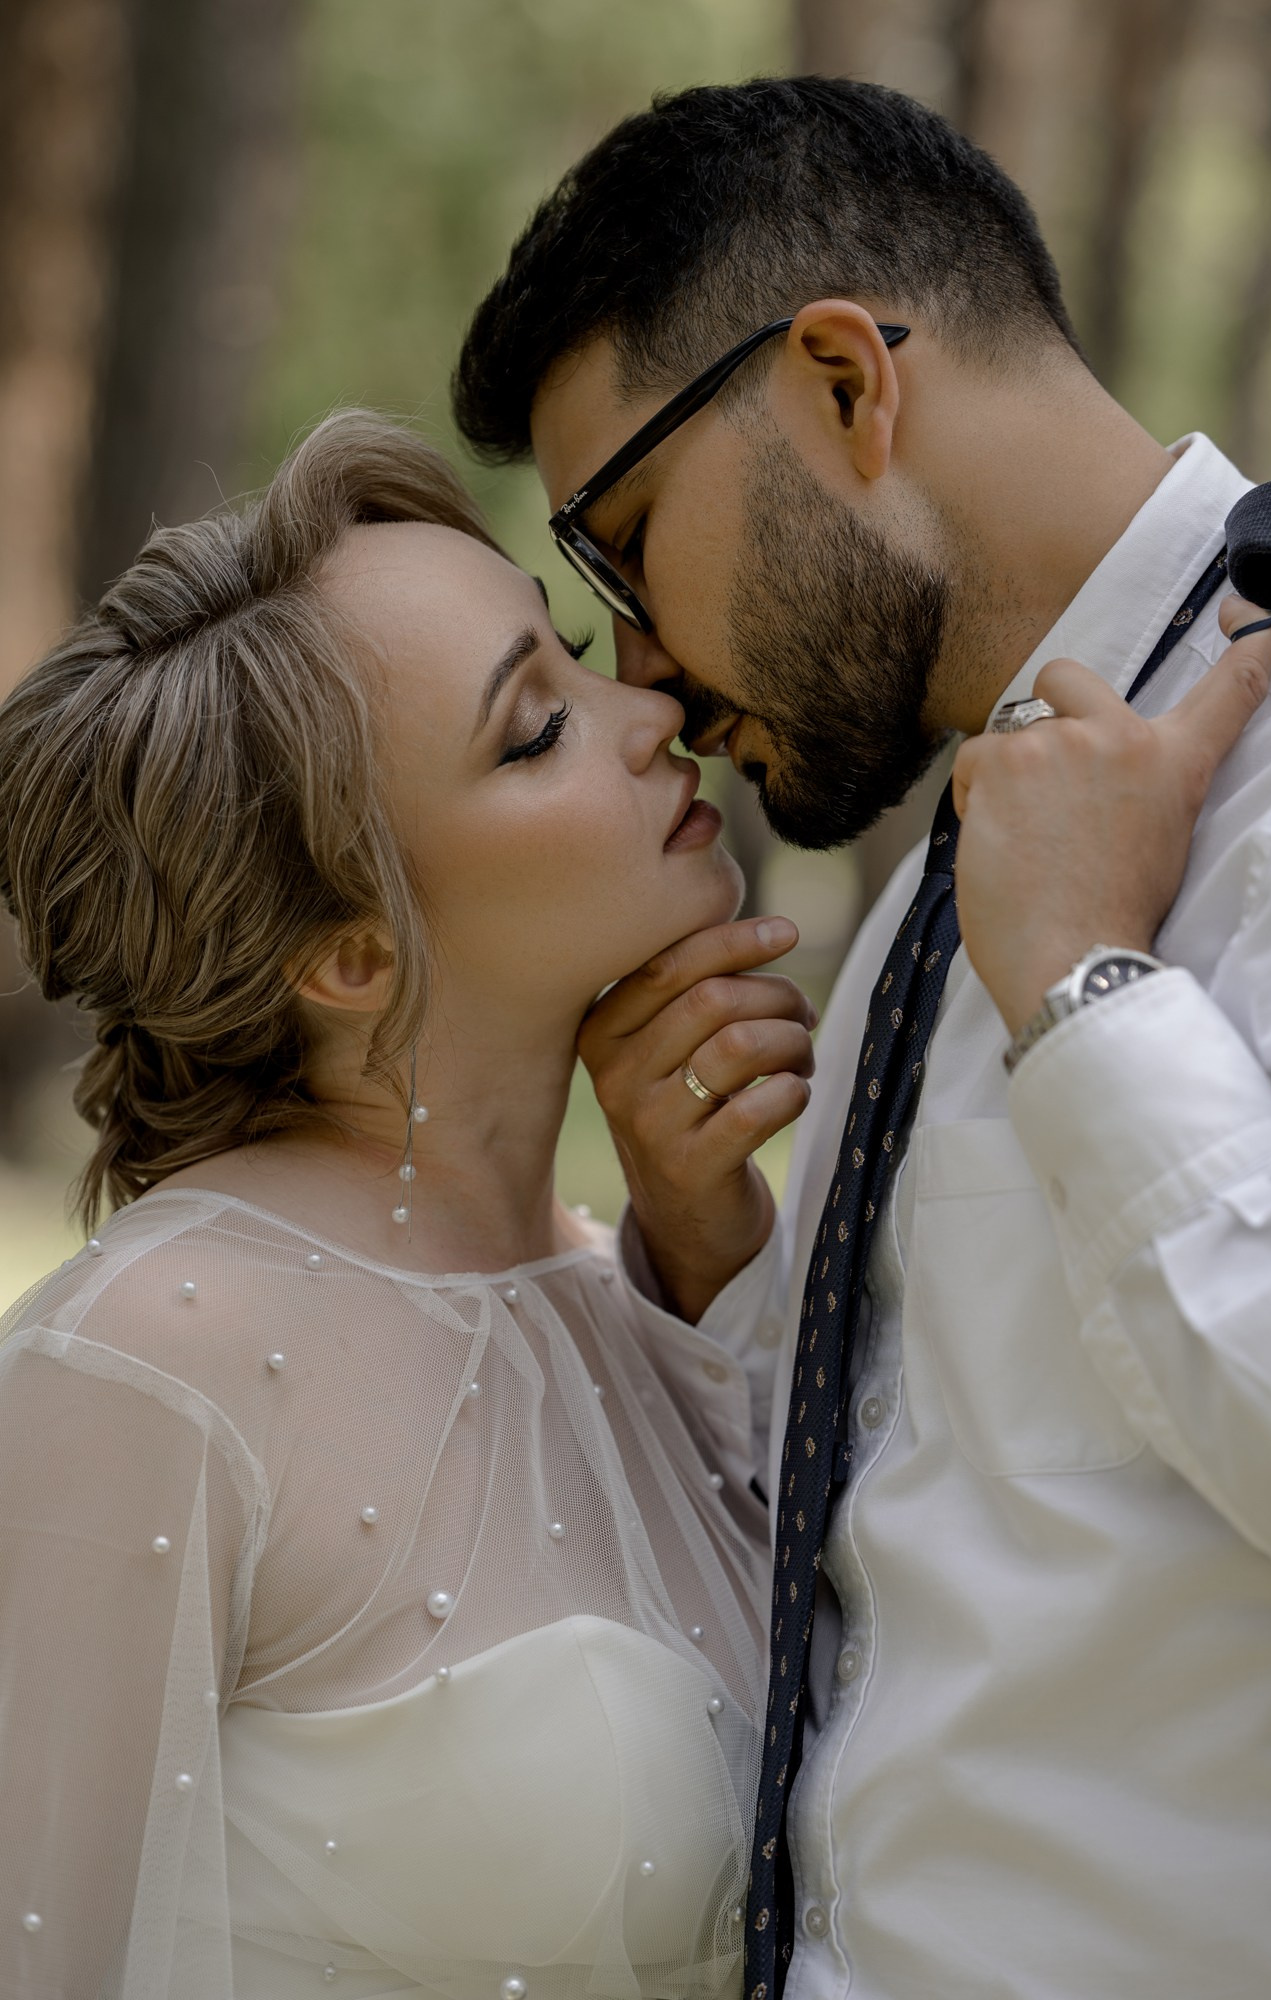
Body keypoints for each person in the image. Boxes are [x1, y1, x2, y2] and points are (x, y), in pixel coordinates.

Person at [453, 77, 1271, 2000]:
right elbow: (947, 1553)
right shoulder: (952, 876)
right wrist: (721, 1262)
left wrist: (1093, 1003)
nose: (644, 678)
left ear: (846, 382)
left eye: (626, 546)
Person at [0, 411, 817, 1999]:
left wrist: (710, 1257)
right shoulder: (153, 1357)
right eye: (536, 728)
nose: (648, 706)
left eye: (571, 652)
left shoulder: (636, 1282)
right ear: (352, 953)